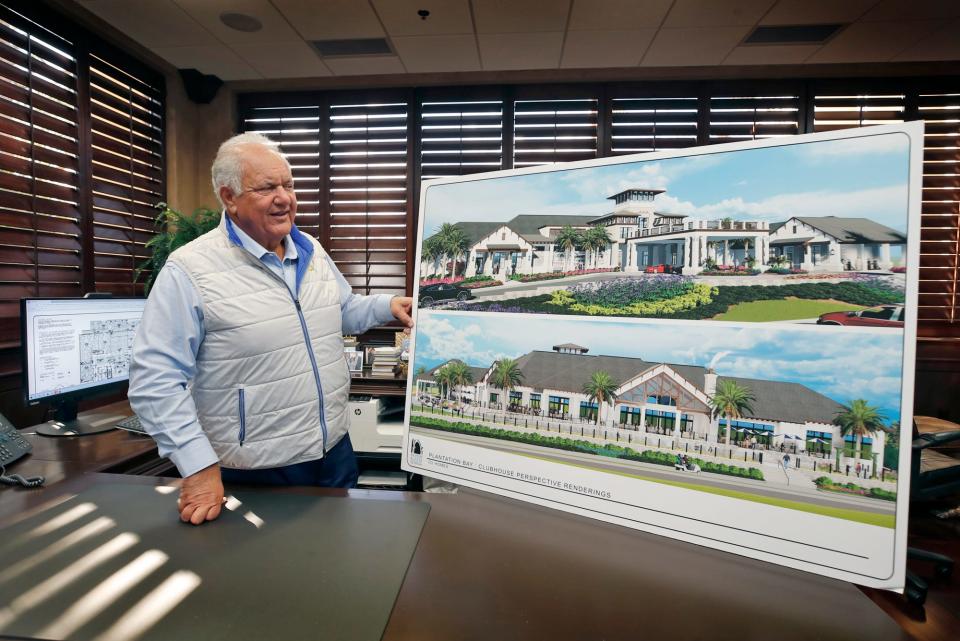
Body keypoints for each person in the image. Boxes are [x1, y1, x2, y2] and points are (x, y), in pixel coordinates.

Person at [129, 133, 413, 526]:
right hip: (256, 472)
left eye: (289, 184)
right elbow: (153, 380)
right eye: (267, 187)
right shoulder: (190, 270)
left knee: (340, 572)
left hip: (334, 454)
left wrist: (386, 305)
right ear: (229, 197)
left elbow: (342, 309)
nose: (285, 197)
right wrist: (196, 465)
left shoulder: (310, 249)